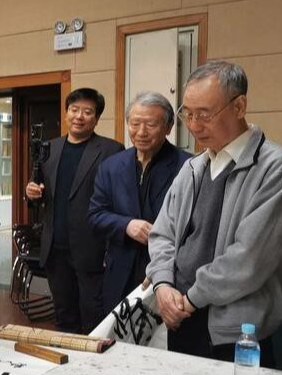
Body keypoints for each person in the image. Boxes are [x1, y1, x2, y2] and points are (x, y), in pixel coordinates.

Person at [147, 60, 282, 364]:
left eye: (204, 114)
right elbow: (162, 233)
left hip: (235, 333)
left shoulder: (275, 168)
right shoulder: (192, 168)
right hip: (180, 317)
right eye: (187, 114)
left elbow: (249, 258)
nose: (194, 125)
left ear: (239, 106)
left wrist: (190, 299)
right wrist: (163, 285)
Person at [25, 88, 122, 334]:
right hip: (55, 249)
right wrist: (31, 192)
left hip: (93, 250)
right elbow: (39, 190)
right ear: (66, 113)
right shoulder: (50, 148)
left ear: (96, 118)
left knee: (95, 319)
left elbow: (118, 200)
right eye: (74, 110)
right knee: (63, 317)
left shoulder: (111, 150)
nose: (79, 116)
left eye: (87, 112)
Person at [88, 92, 190, 314]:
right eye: (135, 124)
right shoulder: (111, 166)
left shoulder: (189, 167)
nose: (141, 132)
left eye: (151, 125)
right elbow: (95, 214)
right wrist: (126, 225)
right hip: (119, 272)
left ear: (169, 127)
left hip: (169, 276)